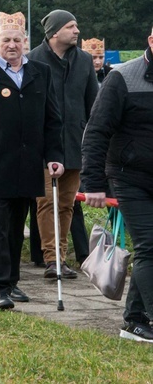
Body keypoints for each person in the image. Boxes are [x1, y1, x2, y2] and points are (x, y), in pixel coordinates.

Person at [0, 11, 64, 310]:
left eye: (17, 40)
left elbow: (53, 119)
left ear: (26, 42)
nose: (12, 45)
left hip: (28, 162)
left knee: (18, 226)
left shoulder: (40, 73)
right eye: (6, 40)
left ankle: (13, 281)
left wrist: (54, 156)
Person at [82, 26, 153, 343]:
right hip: (128, 175)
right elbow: (96, 131)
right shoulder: (122, 78)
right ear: (151, 40)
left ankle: (135, 322)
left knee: (151, 250)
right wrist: (93, 182)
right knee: (151, 247)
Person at [27, 10, 97, 280]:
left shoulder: (84, 61)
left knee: (67, 204)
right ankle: (51, 259)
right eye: (70, 26)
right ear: (54, 32)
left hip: (75, 144)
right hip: (44, 146)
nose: (77, 31)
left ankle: (62, 257)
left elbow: (94, 104)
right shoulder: (33, 59)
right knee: (46, 202)